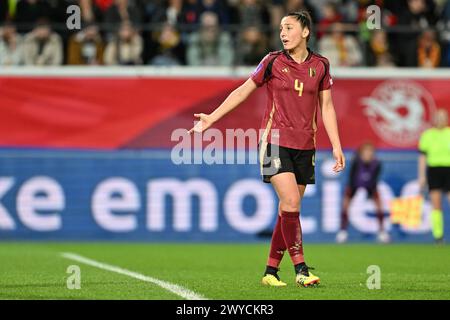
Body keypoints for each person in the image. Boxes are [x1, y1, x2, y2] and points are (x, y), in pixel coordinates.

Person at [189, 11, 345, 287]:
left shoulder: (321, 65)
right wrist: (212, 118)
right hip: (273, 143)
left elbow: (327, 107)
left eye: (289, 28)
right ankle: (301, 269)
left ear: (305, 31)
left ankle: (270, 273)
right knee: (292, 204)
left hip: (305, 146)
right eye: (281, 28)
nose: (283, 33)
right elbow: (242, 91)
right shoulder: (272, 61)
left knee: (287, 210)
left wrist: (336, 144)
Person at [335, 142, 388, 244]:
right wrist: (351, 190)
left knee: (379, 205)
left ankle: (382, 232)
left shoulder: (377, 163)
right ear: (361, 153)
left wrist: (370, 193)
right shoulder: (356, 162)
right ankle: (342, 232)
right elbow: (351, 177)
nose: (368, 154)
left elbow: (375, 178)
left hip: (371, 185)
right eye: (366, 152)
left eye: (370, 152)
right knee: (345, 205)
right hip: (354, 184)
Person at [418, 109, 450, 243]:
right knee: (436, 204)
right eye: (438, 117)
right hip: (434, 171)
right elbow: (423, 157)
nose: (441, 119)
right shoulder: (427, 135)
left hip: (449, 169)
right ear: (434, 119)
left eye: (443, 117)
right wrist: (421, 176)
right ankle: (438, 235)